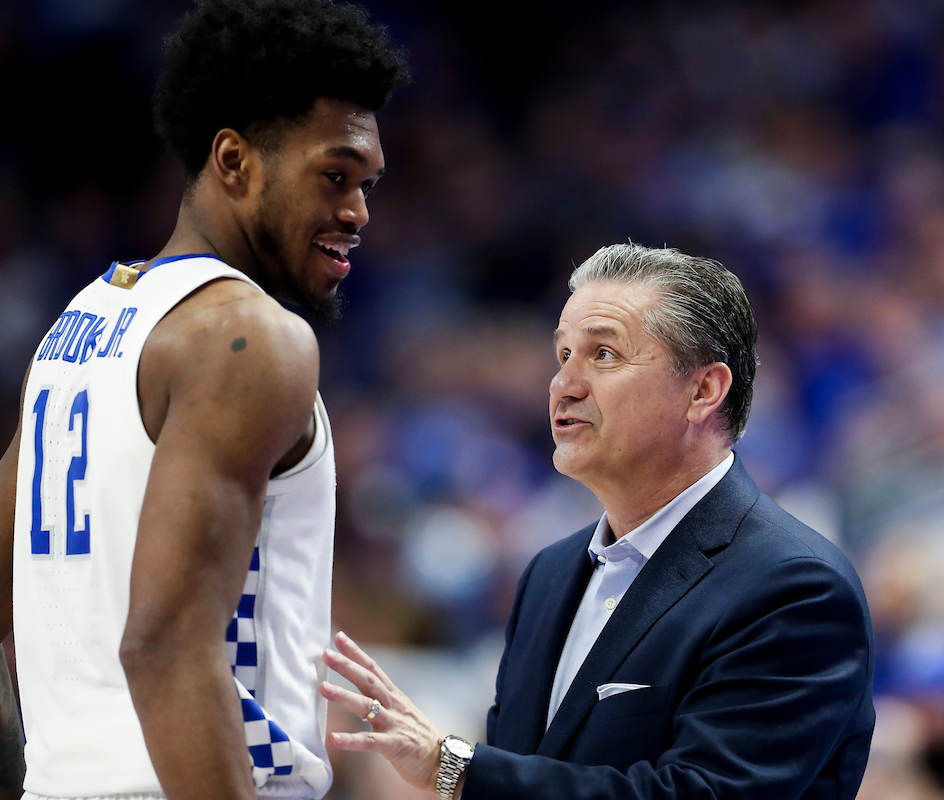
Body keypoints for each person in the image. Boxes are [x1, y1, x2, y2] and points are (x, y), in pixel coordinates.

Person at [0, 1, 408, 798]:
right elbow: (166, 642)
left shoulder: (77, 327)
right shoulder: (253, 338)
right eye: (334, 175)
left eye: (367, 184)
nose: (358, 212)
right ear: (234, 161)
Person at [320, 243, 876, 799]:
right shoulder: (548, 574)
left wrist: (456, 768)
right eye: (563, 355)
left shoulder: (794, 588)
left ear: (703, 390)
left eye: (603, 354)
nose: (564, 384)